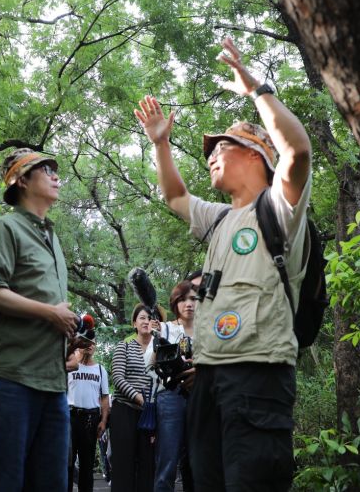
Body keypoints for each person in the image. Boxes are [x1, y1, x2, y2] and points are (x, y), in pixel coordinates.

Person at [134, 37, 312, 490]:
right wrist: (161, 145)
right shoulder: (217, 219)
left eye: (223, 146)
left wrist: (257, 89)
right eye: (210, 149)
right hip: (209, 380)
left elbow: (298, 152)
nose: (211, 153)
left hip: (259, 374)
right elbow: (174, 195)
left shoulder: (279, 209)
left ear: (256, 154)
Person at [0, 148, 77, 491]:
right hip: (12, 378)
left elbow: (48, 308)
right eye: (46, 169)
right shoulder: (5, 228)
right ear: (21, 180)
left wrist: (70, 336)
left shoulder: (54, 238)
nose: (56, 175)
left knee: (52, 483)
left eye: (55, 170)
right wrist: (51, 313)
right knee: (3, 482)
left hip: (54, 382)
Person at [145, 280, 196, 492]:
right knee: (167, 462)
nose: (189, 304)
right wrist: (156, 340)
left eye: (193, 298)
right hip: (170, 395)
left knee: (196, 463)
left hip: (200, 397)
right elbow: (148, 364)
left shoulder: (210, 330)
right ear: (175, 304)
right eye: (183, 300)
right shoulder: (164, 328)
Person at [110, 304, 159, 492]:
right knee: (124, 464)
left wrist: (151, 406)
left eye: (149, 318)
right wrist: (140, 399)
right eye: (142, 318)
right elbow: (118, 378)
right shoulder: (124, 346)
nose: (146, 321)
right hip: (125, 410)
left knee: (148, 466)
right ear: (134, 324)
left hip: (150, 415)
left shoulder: (160, 348)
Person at [66, 336, 111, 492]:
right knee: (67, 464)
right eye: (86, 341)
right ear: (79, 344)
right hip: (70, 417)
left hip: (91, 419)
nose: (89, 345)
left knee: (87, 465)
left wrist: (103, 421)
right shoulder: (70, 366)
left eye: (93, 342)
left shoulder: (100, 370)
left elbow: (105, 398)